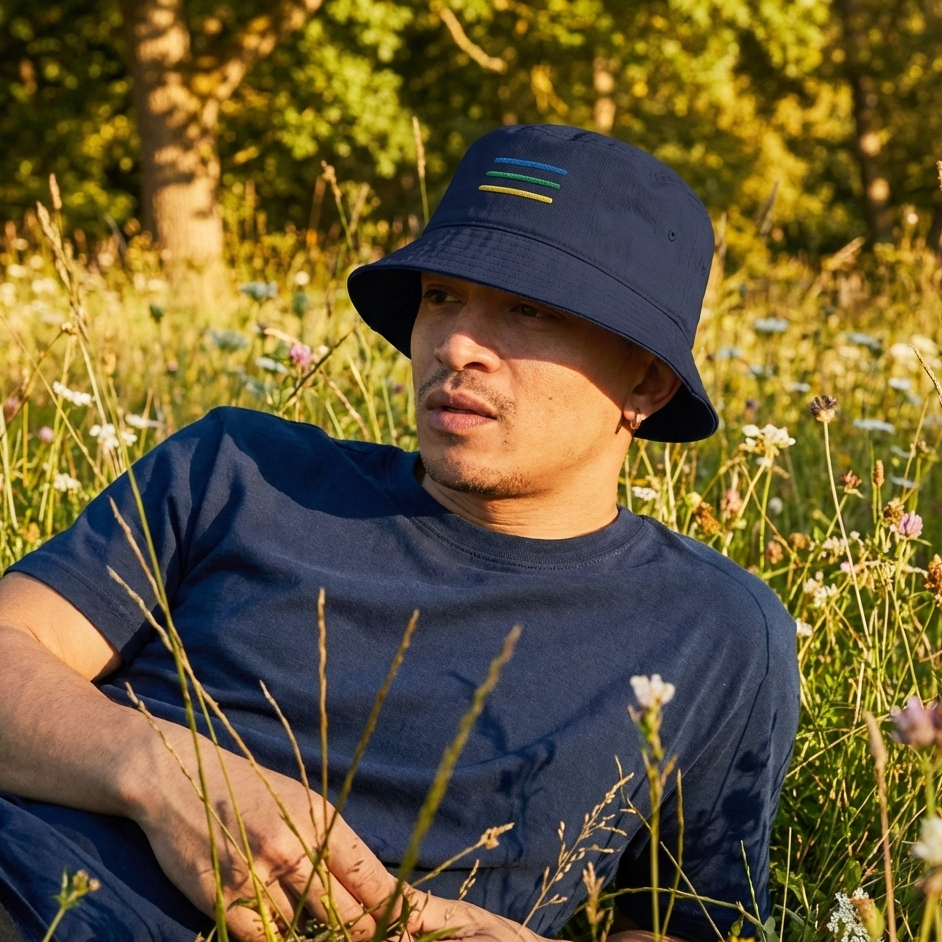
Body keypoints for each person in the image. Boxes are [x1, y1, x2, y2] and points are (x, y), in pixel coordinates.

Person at [0, 124, 799, 942]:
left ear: (647, 381)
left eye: (526, 311)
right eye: (442, 296)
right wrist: (159, 771)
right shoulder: (239, 468)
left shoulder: (716, 632)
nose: (455, 345)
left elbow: (683, 922)